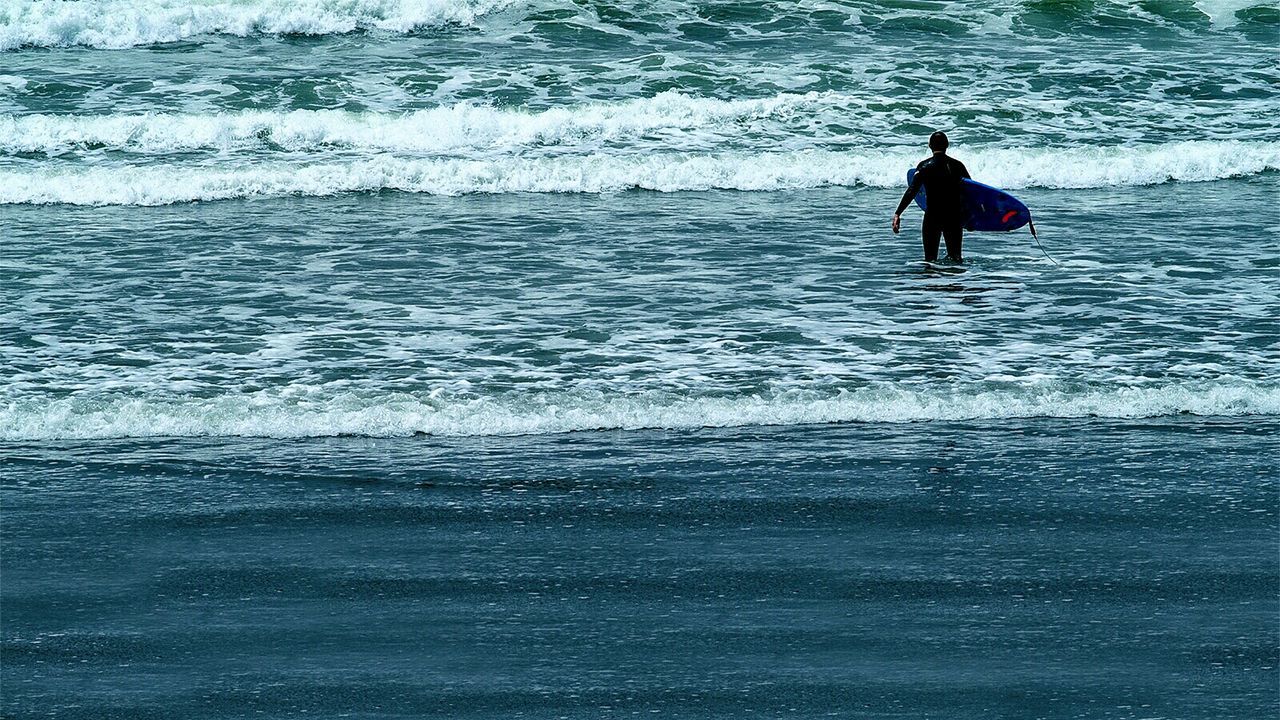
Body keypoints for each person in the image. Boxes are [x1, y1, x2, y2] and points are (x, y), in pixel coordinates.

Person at [891, 131, 970, 262]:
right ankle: (956, 282)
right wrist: (971, 219)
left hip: (933, 216)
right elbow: (970, 192)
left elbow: (912, 190)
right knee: (956, 259)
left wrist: (898, 213)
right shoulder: (957, 166)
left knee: (930, 260)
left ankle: (931, 281)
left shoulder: (924, 166)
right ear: (947, 145)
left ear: (929, 146)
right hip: (953, 217)